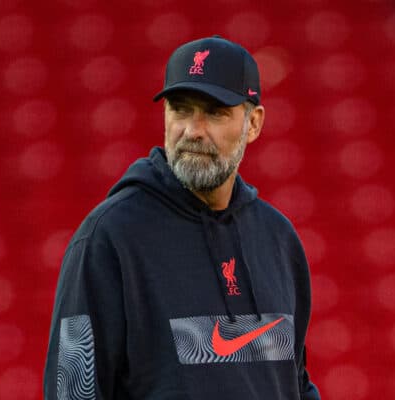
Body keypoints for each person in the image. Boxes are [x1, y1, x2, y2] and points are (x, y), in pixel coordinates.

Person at [43, 35, 320, 400]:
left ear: (253, 124)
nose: (192, 131)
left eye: (215, 112)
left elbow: (293, 382)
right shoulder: (108, 238)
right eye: (180, 109)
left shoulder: (277, 239)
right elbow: (72, 393)